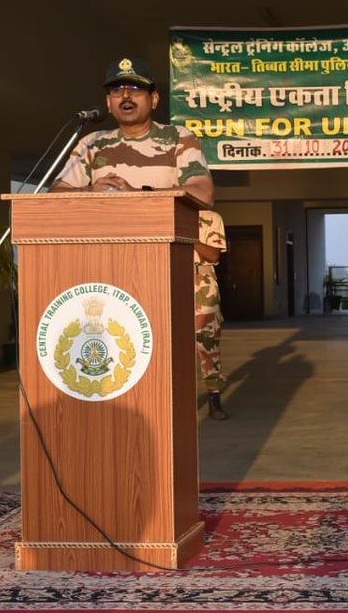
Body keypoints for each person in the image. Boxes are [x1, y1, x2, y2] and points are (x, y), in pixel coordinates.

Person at [50, 56, 214, 207]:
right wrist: (90, 192)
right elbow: (54, 196)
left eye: (135, 88)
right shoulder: (92, 143)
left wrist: (138, 194)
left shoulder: (178, 137)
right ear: (108, 102)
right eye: (117, 90)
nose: (126, 96)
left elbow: (203, 193)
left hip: (159, 233)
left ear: (154, 99)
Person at [195, 209, 230, 420]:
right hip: (165, 279)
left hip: (201, 283)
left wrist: (187, 233)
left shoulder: (210, 217)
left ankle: (214, 398)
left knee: (207, 344)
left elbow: (213, 254)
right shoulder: (159, 210)